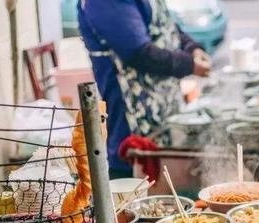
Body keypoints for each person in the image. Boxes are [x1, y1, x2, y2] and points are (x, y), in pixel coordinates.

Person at [78, 0, 212, 179]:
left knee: (163, 175)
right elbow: (139, 53)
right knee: (133, 174)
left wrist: (192, 47)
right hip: (131, 115)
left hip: (163, 107)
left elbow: (165, 25)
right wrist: (189, 64)